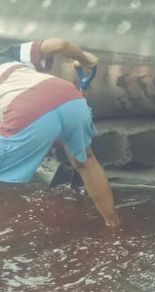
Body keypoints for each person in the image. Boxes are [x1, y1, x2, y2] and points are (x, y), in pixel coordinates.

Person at [0, 38, 120, 228]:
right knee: (86, 162)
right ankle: (113, 224)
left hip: (24, 112)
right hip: (68, 96)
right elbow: (61, 45)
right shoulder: (8, 55)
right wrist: (86, 60)